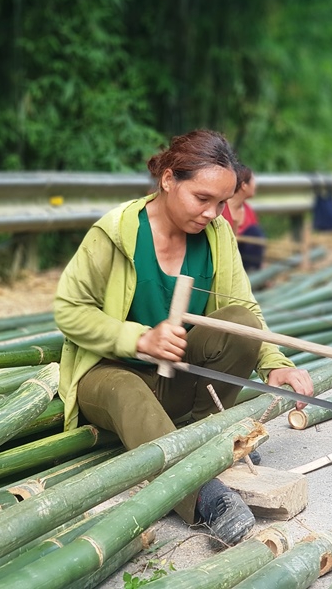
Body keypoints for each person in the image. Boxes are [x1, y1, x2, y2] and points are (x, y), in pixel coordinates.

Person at [53, 129, 314, 545]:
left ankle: (202, 435)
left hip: (174, 377)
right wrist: (139, 340)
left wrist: (275, 363)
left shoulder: (217, 234)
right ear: (169, 179)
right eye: (202, 198)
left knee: (239, 321)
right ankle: (203, 496)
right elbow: (68, 309)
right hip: (111, 376)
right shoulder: (114, 232)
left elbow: (242, 305)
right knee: (125, 389)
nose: (213, 213)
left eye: (222, 203)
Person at [223, 164, 265, 271]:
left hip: (244, 262)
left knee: (254, 232)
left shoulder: (248, 210)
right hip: (226, 258)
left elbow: (257, 245)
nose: (256, 185)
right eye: (253, 181)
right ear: (244, 186)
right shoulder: (221, 208)